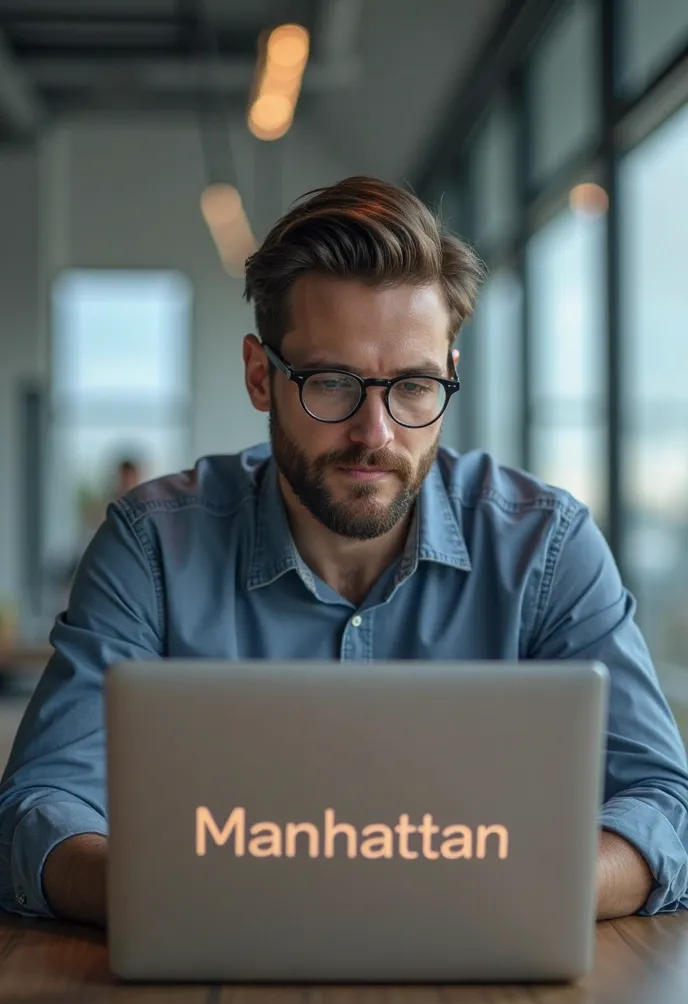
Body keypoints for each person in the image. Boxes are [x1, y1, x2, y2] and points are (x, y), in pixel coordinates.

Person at [1, 176, 687, 929]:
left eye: (415, 386)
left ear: (449, 376)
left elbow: (662, 803)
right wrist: (185, 898)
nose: (376, 433)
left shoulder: (545, 546)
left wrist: (513, 897)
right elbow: (41, 808)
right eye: (332, 382)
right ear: (261, 376)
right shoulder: (153, 545)